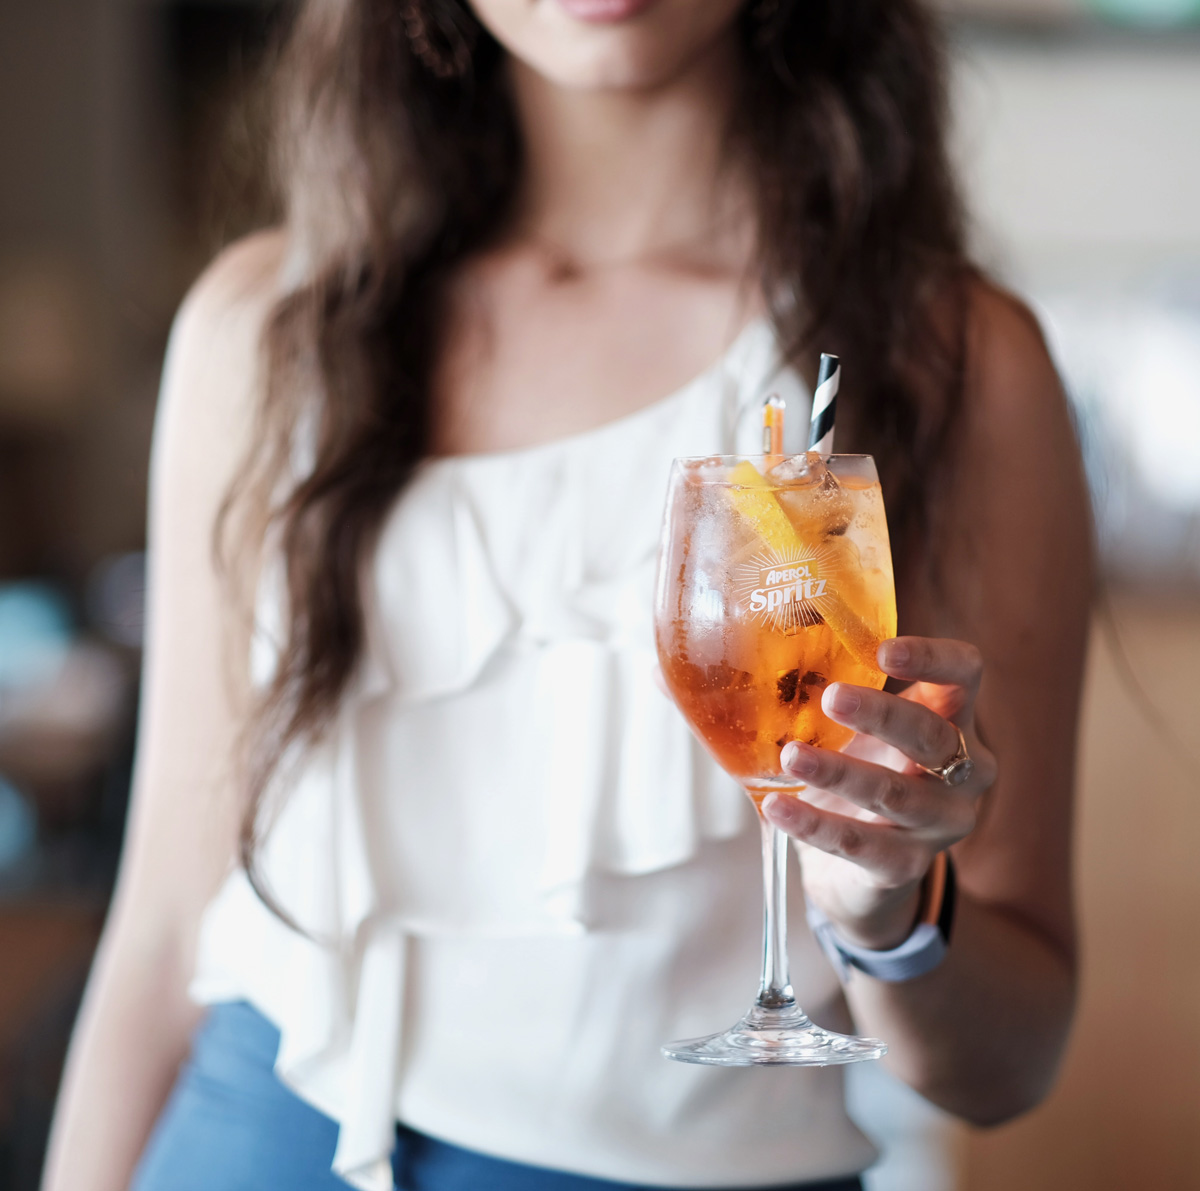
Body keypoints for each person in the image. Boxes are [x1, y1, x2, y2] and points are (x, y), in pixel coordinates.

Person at [42, 0, 1093, 1187]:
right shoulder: (270, 330)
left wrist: (892, 919)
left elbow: (1009, 1066)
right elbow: (163, 935)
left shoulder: (950, 363)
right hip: (247, 1143)